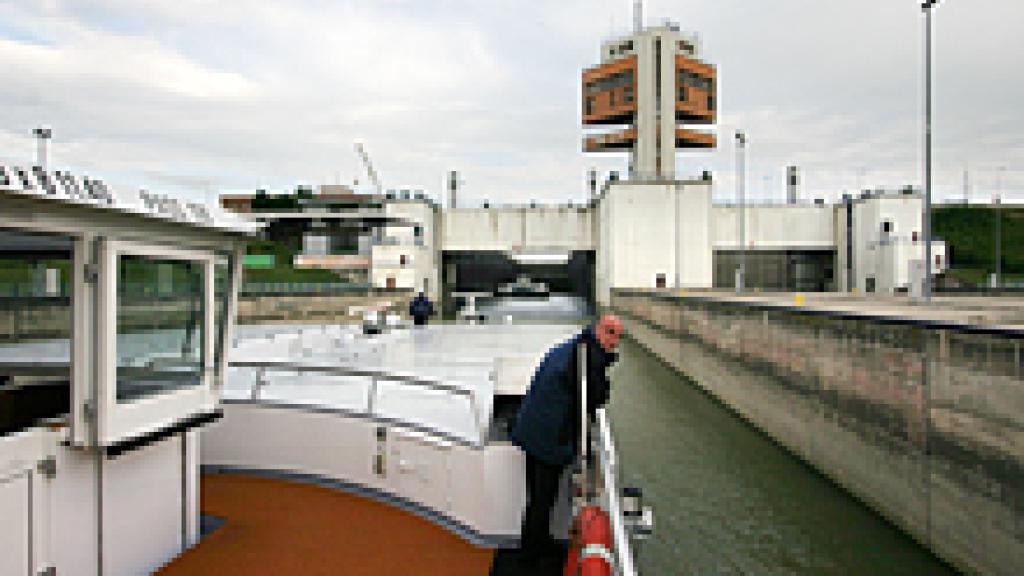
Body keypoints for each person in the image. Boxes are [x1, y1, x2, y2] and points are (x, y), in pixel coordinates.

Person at [510, 314, 624, 566]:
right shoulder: (586, 359)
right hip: (547, 436)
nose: (614, 341)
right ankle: (529, 556)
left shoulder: (578, 346)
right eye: (610, 333)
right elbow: (596, 396)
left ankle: (539, 541)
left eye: (618, 336)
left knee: (539, 497)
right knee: (542, 498)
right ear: (599, 331)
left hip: (534, 429)